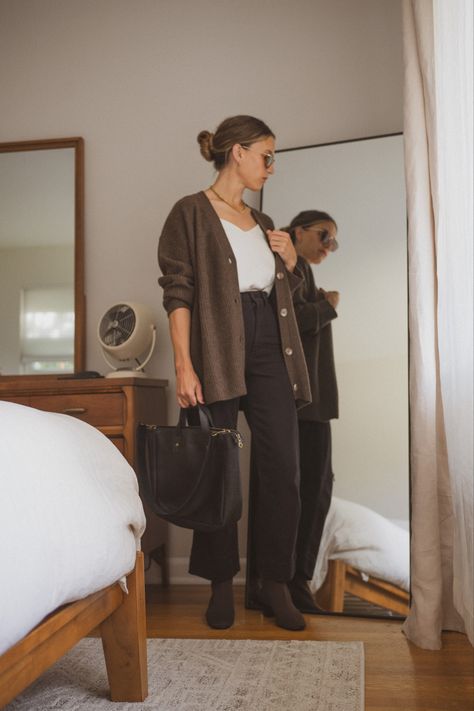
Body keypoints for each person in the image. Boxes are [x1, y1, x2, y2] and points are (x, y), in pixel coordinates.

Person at [158, 115, 312, 631]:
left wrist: (291, 262)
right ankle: (221, 584)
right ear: (238, 152)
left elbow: (288, 299)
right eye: (266, 155)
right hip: (217, 345)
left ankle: (273, 584)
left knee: (283, 468)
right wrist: (184, 363)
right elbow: (178, 291)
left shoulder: (267, 225)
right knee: (219, 467)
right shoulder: (190, 212)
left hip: (270, 343)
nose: (271, 166)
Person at [284, 210, 340, 614]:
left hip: (312, 400)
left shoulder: (301, 267)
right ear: (299, 231)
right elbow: (287, 323)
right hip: (302, 401)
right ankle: (295, 582)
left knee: (315, 488)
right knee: (308, 491)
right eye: (324, 235)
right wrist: (328, 306)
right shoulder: (289, 264)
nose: (328, 246)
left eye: (333, 242)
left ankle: (295, 580)